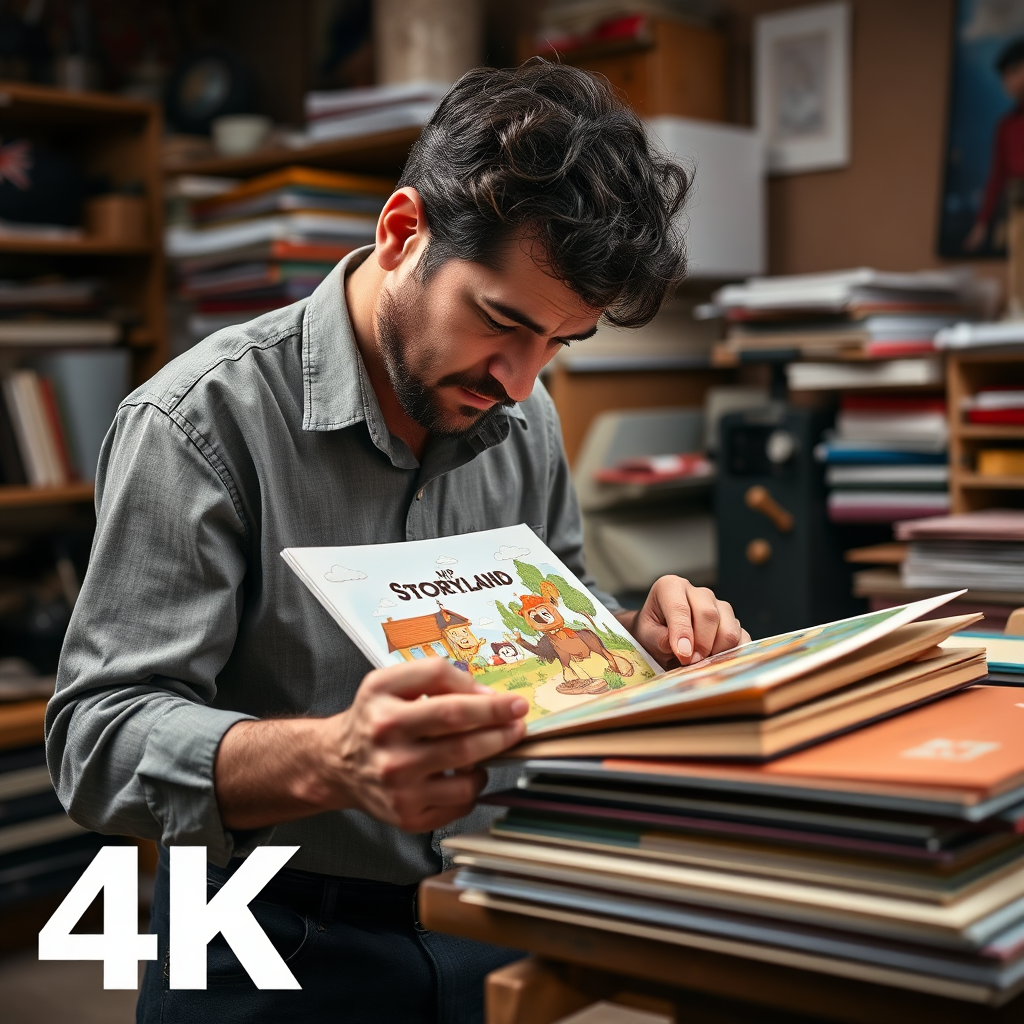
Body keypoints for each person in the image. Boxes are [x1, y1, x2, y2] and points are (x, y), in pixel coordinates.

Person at [46, 60, 747, 1024]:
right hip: (261, 928)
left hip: (488, 907)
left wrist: (632, 641)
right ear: (402, 232)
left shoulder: (523, 409)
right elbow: (97, 737)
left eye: (558, 343)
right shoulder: (197, 424)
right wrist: (333, 759)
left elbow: (542, 616)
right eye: (500, 321)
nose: (520, 378)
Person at [964, 36, 1024, 252]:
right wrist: (982, 223)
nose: (1005, 83)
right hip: (1018, 208)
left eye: (1010, 73)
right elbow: (998, 175)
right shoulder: (1007, 125)